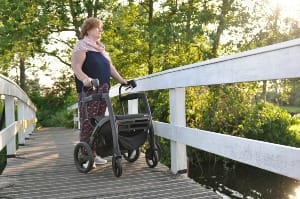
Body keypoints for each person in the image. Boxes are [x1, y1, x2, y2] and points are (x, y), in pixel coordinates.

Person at [71, 17, 127, 167]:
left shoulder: (100, 49)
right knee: (88, 122)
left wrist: (122, 81)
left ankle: (94, 154)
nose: (100, 30)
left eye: (101, 28)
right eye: (97, 28)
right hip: (88, 90)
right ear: (88, 29)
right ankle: (85, 155)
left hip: (103, 90)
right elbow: (76, 67)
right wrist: (84, 79)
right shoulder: (82, 46)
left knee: (99, 122)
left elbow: (110, 68)